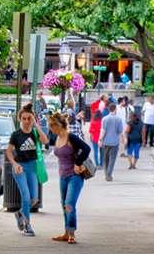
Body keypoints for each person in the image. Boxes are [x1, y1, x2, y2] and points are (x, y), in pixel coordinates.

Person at [49, 112, 91, 244]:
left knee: (69, 204)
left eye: (51, 125)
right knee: (64, 205)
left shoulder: (71, 137)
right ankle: (66, 232)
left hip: (75, 176)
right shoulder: (56, 138)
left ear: (59, 125)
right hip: (63, 176)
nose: (50, 128)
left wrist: (78, 163)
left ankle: (72, 233)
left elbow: (86, 148)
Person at [7, 104, 48, 237]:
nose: (26, 121)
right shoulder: (16, 135)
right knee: (25, 197)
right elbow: (8, 152)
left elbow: (45, 140)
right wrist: (14, 164)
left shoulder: (35, 133)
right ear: (20, 119)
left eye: (28, 118)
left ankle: (20, 213)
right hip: (20, 167)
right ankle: (27, 226)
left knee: (34, 200)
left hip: (32, 167)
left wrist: (36, 126)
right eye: (23, 119)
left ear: (32, 119)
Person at [100, 102, 124, 181]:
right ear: (115, 109)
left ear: (109, 109)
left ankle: (106, 173)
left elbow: (103, 131)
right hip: (115, 142)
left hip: (105, 142)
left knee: (105, 159)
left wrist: (100, 140)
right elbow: (120, 132)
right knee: (112, 159)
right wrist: (123, 141)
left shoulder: (105, 119)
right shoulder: (119, 119)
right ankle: (109, 174)